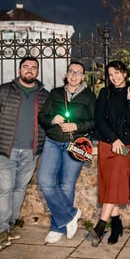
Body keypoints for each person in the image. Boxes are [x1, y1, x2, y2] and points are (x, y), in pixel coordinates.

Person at [0, 56, 49, 250]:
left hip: (31, 152)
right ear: (20, 70)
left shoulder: (44, 95)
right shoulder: (4, 90)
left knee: (19, 189)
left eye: (33, 68)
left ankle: (11, 223)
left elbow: (48, 121)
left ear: (37, 71)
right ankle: (2, 229)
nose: (30, 70)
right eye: (26, 67)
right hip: (5, 150)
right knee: (5, 189)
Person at [37, 61, 96, 244]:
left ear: (83, 77)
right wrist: (52, 119)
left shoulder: (88, 96)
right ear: (66, 74)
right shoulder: (55, 93)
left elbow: (94, 121)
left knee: (66, 185)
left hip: (76, 144)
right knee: (45, 181)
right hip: (53, 141)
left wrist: (77, 125)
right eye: (71, 71)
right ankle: (71, 215)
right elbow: (42, 118)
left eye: (78, 73)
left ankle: (58, 227)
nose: (74, 75)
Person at [90, 60, 130, 247]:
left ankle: (101, 225)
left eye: (117, 73)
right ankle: (117, 223)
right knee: (110, 182)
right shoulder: (105, 93)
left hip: (126, 146)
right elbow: (98, 119)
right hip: (107, 144)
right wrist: (113, 139)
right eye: (110, 74)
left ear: (125, 73)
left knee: (115, 179)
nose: (114, 77)